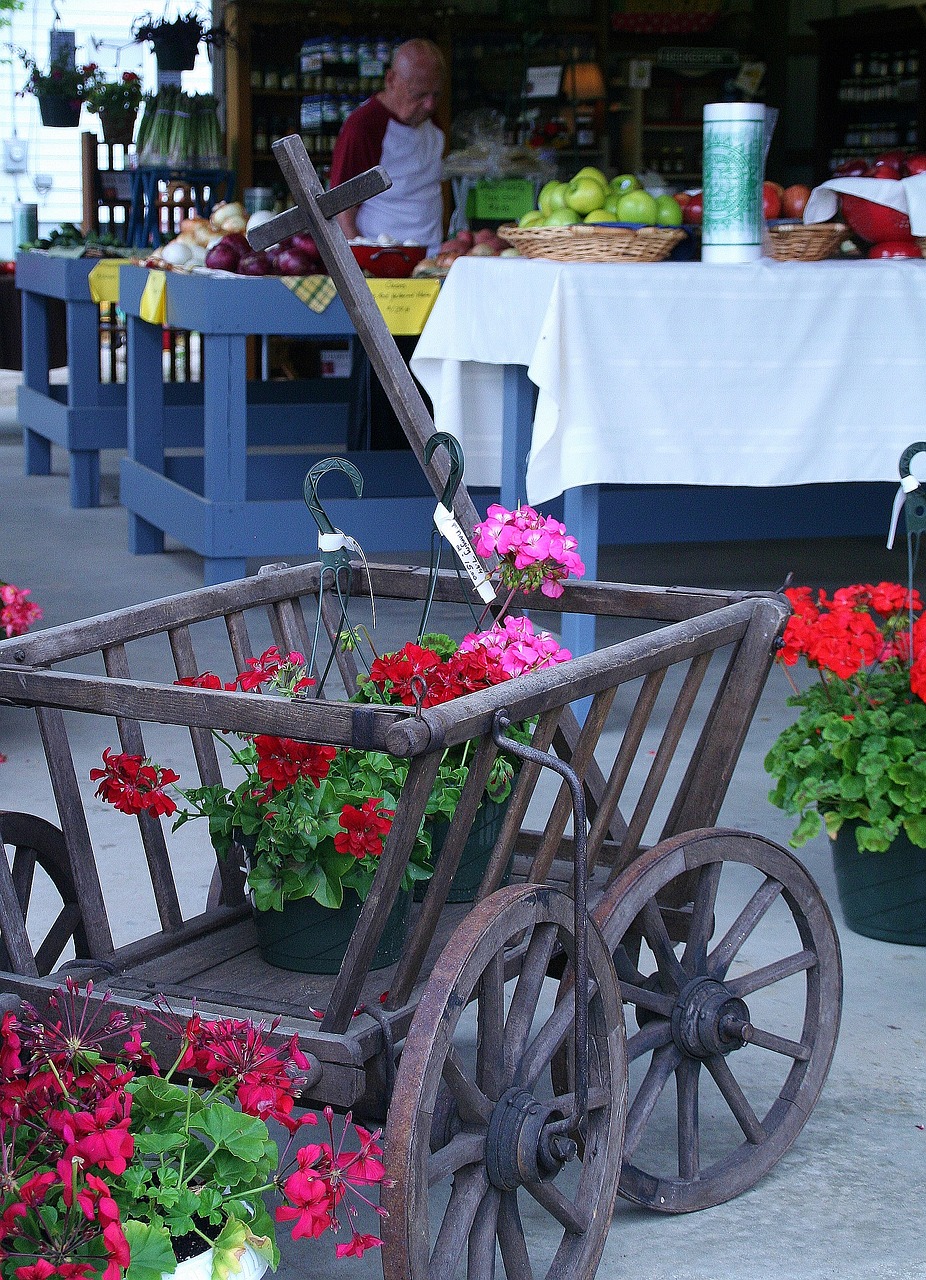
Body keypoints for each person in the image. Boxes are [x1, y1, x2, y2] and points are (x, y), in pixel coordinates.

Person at [330, 38, 446, 255]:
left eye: (436, 94)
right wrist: (361, 259)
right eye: (419, 94)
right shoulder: (363, 127)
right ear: (391, 79)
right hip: (380, 255)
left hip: (432, 253)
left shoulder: (433, 122)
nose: (429, 105)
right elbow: (341, 207)